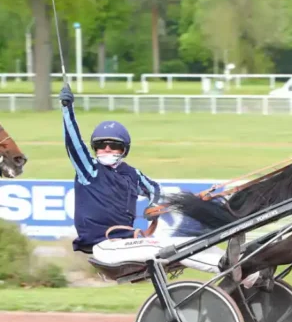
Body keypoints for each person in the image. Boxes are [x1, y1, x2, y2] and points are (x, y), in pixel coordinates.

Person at [59, 84, 224, 273]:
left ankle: (249, 275)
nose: (106, 149)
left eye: (113, 145)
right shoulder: (89, 170)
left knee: (193, 243)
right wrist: (67, 108)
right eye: (100, 145)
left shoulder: (132, 174)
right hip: (105, 246)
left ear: (123, 150)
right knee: (173, 248)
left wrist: (153, 206)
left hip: (129, 243)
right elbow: (73, 143)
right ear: (94, 149)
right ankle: (227, 268)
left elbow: (155, 190)